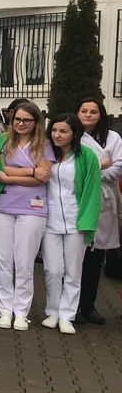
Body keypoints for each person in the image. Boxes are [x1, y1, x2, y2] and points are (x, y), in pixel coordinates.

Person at [0, 101, 53, 330]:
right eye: (17, 119)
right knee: (3, 261)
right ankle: (5, 310)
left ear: (36, 122)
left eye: (27, 120)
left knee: (24, 263)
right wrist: (31, 171)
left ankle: (21, 312)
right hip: (2, 207)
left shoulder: (44, 144)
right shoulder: (4, 140)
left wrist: (9, 177)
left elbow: (43, 178)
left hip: (32, 209)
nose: (21, 123)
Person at [41, 114, 102, 335]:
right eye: (54, 130)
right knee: (52, 269)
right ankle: (53, 311)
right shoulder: (47, 153)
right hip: (50, 221)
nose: (57, 135)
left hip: (77, 222)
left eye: (63, 131)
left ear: (74, 134)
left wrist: (88, 222)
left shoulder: (87, 156)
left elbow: (93, 190)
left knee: (73, 271)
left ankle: (67, 314)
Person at [75, 96, 122, 325]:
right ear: (77, 113)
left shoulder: (113, 138)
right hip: (77, 198)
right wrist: (100, 165)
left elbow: (118, 166)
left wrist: (91, 172)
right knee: (73, 258)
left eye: (93, 111)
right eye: (84, 111)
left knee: (94, 259)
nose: (88, 115)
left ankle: (88, 306)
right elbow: (69, 167)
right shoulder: (71, 135)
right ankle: (70, 307)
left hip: (103, 198)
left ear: (101, 114)